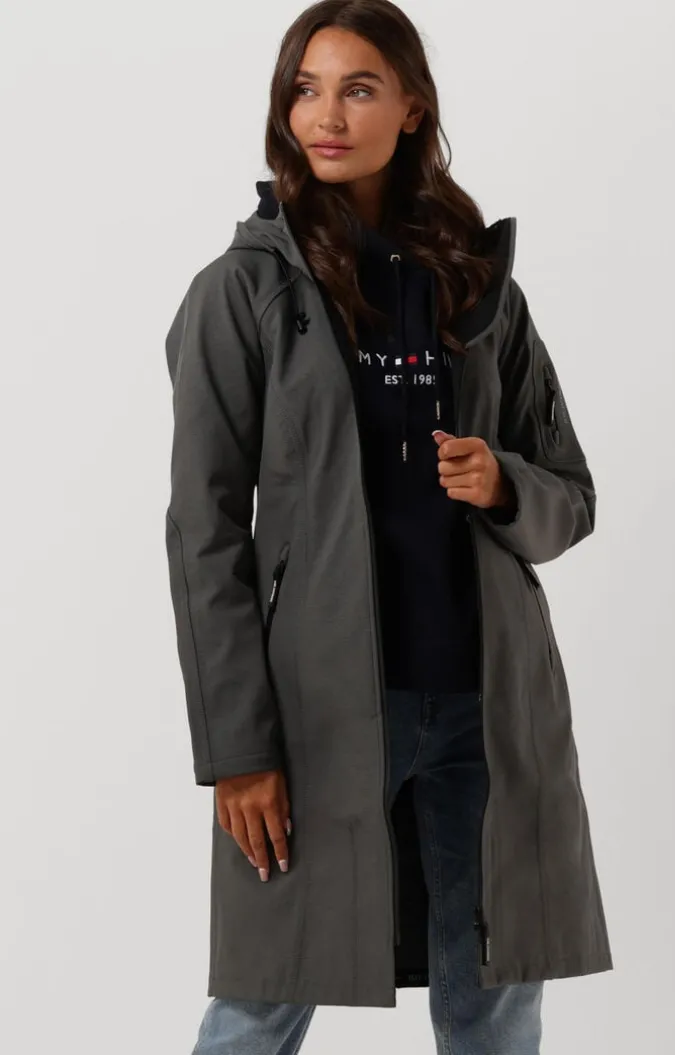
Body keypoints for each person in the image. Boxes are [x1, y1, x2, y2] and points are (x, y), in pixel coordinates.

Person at [163, 1, 613, 1052]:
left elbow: (572, 492)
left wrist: (502, 482)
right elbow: (204, 535)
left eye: (358, 89)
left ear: (411, 109)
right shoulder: (243, 291)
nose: (326, 115)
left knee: (495, 994)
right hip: (319, 712)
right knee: (266, 994)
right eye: (306, 90)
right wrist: (237, 749)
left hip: (486, 706)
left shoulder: (477, 287)